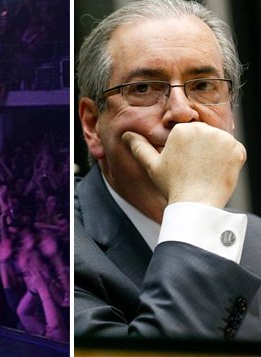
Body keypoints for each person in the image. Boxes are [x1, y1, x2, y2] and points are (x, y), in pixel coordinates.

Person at [75, 0, 261, 339]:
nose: (182, 112)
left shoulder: (257, 238)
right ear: (91, 125)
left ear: (231, 115)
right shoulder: (54, 250)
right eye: (143, 88)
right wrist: (195, 208)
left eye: (204, 85)